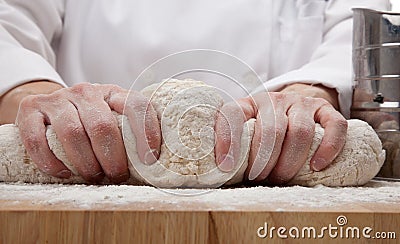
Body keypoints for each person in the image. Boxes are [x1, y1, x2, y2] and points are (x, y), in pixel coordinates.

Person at [0, 0, 391, 184]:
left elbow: (358, 27)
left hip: (284, 170)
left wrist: (314, 89)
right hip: (89, 173)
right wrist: (30, 89)